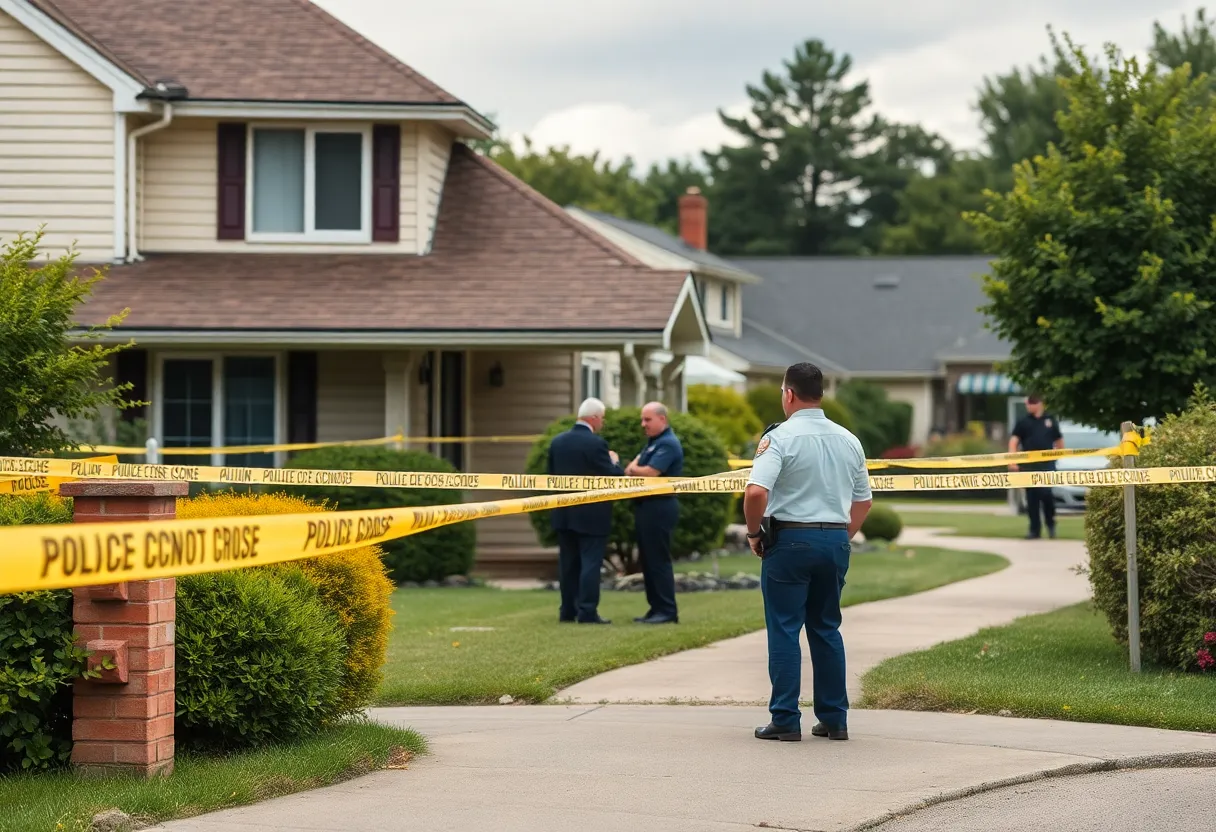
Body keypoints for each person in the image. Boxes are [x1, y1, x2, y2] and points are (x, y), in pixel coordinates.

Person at [743, 362, 872, 743]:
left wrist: (754, 533)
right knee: (826, 627)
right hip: (833, 539)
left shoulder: (780, 437)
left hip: (790, 542)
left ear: (788, 394)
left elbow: (755, 492)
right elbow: (863, 502)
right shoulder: (848, 439)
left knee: (784, 627)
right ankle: (835, 718)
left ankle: (785, 718)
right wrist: (837, 536)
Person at [547, 398, 622, 624]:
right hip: (592, 514)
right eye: (602, 419)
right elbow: (614, 477)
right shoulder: (596, 445)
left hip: (564, 512)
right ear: (595, 418)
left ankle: (567, 611)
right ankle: (587, 611)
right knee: (590, 563)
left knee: (568, 564)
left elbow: (550, 476)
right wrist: (614, 461)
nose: (603, 424)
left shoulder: (557, 442)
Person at [624, 401, 683, 625]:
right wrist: (634, 470)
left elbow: (649, 472)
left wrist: (634, 470)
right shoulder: (653, 443)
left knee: (658, 560)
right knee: (647, 561)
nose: (643, 424)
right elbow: (631, 467)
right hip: (646, 506)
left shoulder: (668, 443)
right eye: (642, 419)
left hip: (660, 506)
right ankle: (655, 608)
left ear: (662, 420)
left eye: (647, 419)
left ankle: (667, 611)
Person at [1008, 395, 1064, 540]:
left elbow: (1059, 440)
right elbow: (1014, 441)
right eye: (1028, 403)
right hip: (1029, 465)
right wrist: (1013, 461)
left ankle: (1051, 525)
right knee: (1031, 498)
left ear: (1040, 404)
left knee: (1046, 494)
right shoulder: (1023, 422)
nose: (1029, 406)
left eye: (1032, 403)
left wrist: (1057, 455)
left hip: (1046, 464)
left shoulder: (1050, 420)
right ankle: (1034, 530)